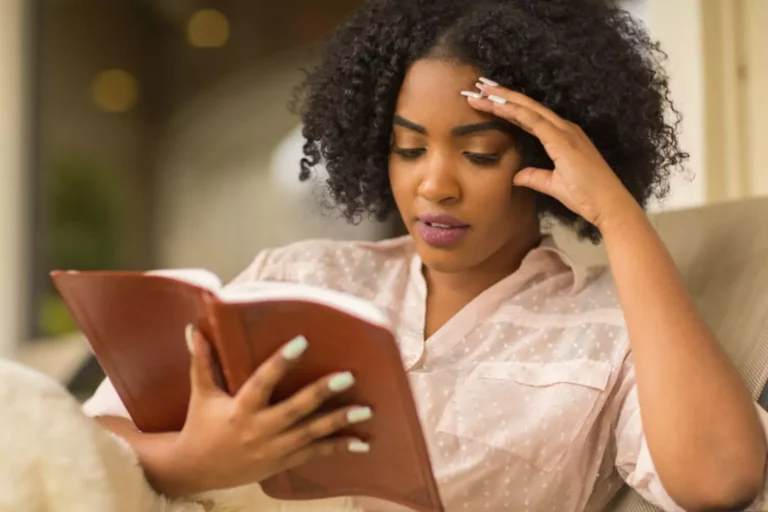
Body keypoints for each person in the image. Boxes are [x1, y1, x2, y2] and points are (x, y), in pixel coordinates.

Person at [84, 0, 768, 510]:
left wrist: (619, 215)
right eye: (407, 149)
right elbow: (86, 437)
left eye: (478, 153)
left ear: (546, 154)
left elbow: (723, 476)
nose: (433, 184)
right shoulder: (297, 276)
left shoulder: (610, 334)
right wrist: (192, 461)